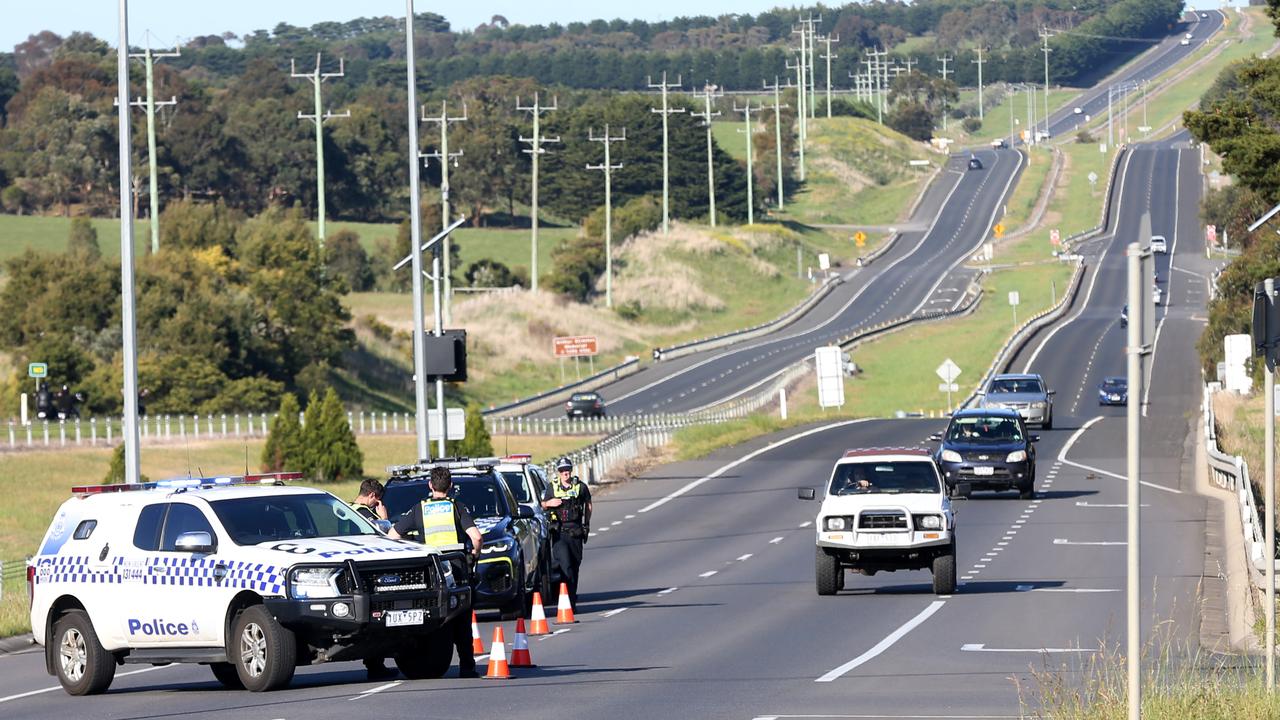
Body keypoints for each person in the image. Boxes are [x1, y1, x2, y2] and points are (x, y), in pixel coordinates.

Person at [388, 467, 484, 678]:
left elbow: (392, 536)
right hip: (456, 570)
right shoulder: (456, 507)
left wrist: (414, 546)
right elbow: (476, 537)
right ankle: (467, 667)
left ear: (430, 486)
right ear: (450, 486)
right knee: (462, 618)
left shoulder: (419, 509)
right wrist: (474, 556)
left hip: (431, 572)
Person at [541, 458, 592, 608]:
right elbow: (543, 505)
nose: (565, 473)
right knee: (565, 566)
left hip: (575, 533)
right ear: (559, 472)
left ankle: (572, 599)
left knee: (575, 567)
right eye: (562, 470)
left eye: (567, 470)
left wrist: (586, 525)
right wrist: (549, 503)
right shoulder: (552, 488)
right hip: (559, 533)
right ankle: (566, 601)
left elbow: (588, 505)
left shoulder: (580, 487)